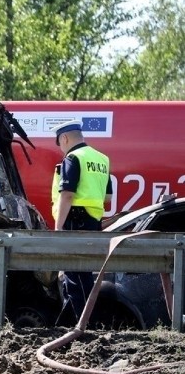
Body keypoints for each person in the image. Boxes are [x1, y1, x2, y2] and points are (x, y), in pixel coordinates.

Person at [51, 119, 112, 323]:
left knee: (75, 275)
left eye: (59, 143)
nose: (61, 148)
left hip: (74, 219)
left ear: (65, 138)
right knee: (81, 273)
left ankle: (86, 325)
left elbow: (67, 195)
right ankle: (66, 324)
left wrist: (59, 227)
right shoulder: (102, 159)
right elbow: (108, 198)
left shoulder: (73, 158)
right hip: (94, 220)